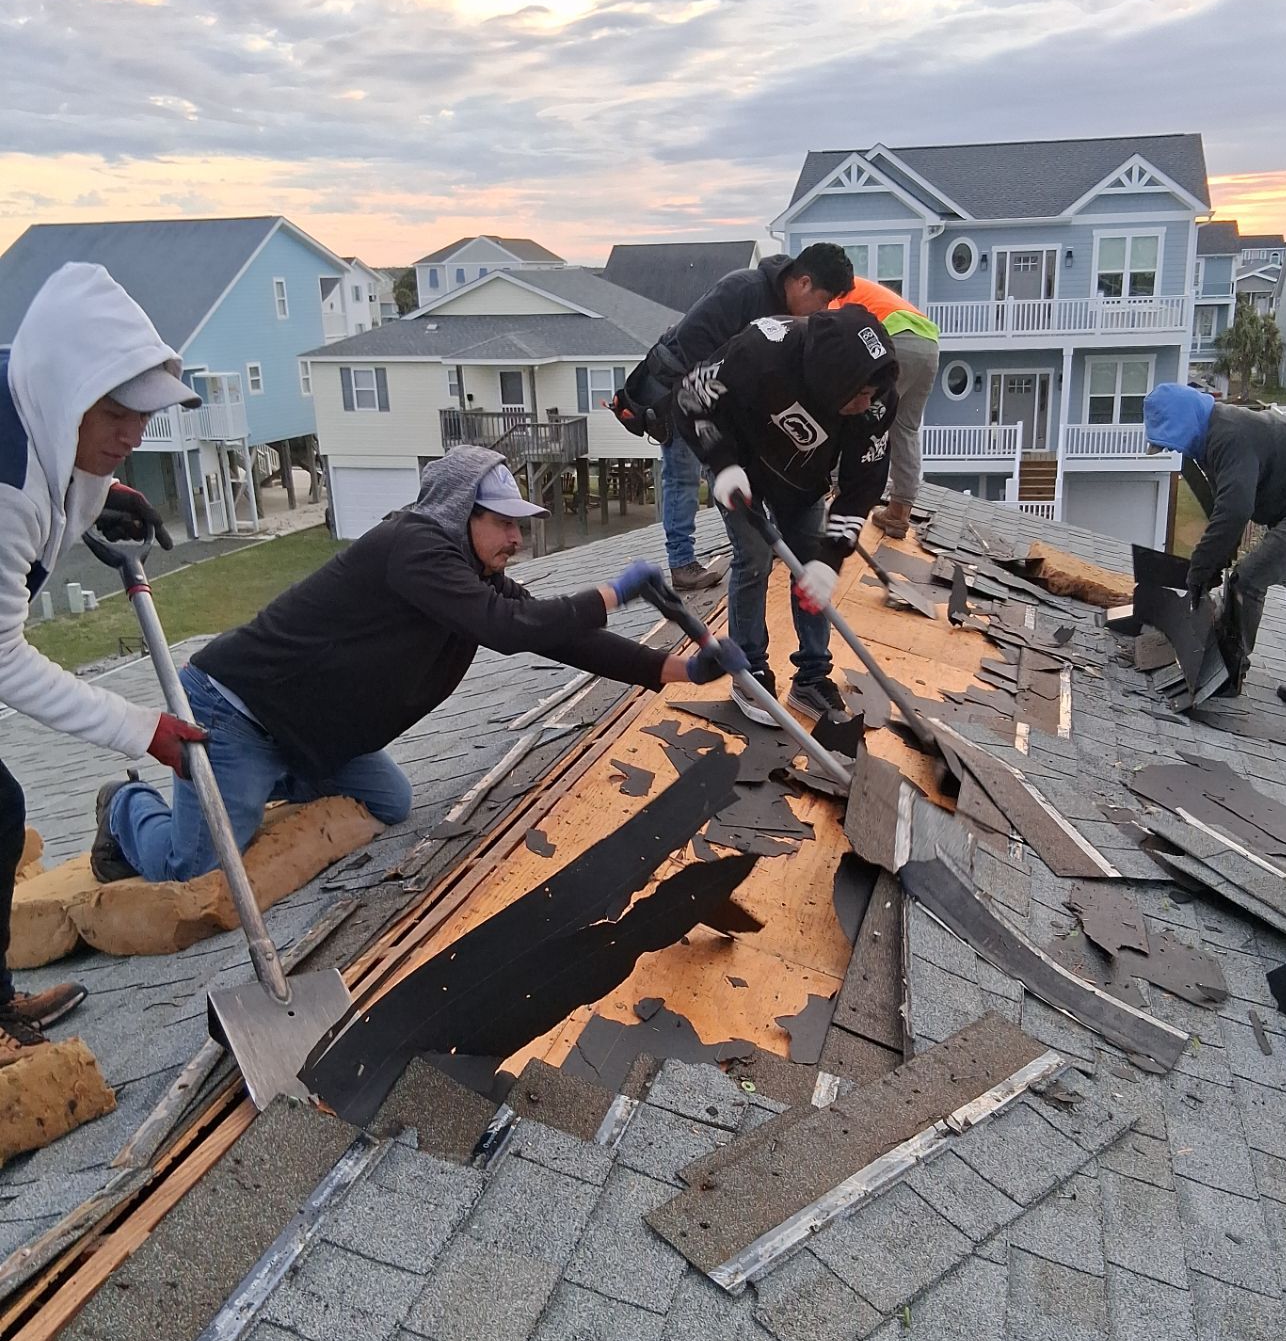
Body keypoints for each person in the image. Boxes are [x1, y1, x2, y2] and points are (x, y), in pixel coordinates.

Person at [94, 446, 742, 884]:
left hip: (305, 735)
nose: (518, 540)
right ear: (463, 510)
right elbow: (507, 632)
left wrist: (675, 672)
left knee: (389, 799)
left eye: (522, 526)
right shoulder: (413, 547)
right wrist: (613, 592)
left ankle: (240, 785)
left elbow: (554, 636)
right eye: (504, 524)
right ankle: (125, 804)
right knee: (198, 867)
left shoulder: (469, 571)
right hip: (233, 708)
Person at [0, 262, 210, 1049]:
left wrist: (99, 491)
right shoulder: (9, 488)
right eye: (119, 415)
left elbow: (60, 463)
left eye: (145, 415)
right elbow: (4, 658)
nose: (135, 437)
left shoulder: (34, 400)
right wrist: (138, 729)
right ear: (70, 396)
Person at [672, 305, 897, 726]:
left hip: (801, 478)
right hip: (738, 465)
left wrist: (831, 558)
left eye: (873, 393)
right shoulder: (760, 351)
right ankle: (748, 671)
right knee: (754, 558)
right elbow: (687, 397)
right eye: (859, 393)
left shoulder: (876, 402)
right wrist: (720, 462)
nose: (867, 402)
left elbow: (863, 485)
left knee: (809, 567)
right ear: (833, 376)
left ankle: (812, 678)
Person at [613, 245, 857, 593]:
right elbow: (692, 341)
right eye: (824, 299)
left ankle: (768, 540)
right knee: (682, 478)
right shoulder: (742, 289)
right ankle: (682, 563)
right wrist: (720, 395)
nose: (823, 310)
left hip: (726, 399)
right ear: (803, 282)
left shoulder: (780, 307)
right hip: (682, 389)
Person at [1143, 383, 1286, 719]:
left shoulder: (1227, 436)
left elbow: (1236, 510)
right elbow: (1226, 507)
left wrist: (1199, 569)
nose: (1171, 449)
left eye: (1169, 441)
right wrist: (1216, 563)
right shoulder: (1211, 436)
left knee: (1248, 580)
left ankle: (1231, 670)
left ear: (1181, 424)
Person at [831, 277, 939, 539]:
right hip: (928, 342)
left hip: (895, 341)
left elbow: (828, 339)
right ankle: (899, 513)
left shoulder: (829, 293)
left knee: (855, 412)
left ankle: (836, 499)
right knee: (905, 428)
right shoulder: (858, 287)